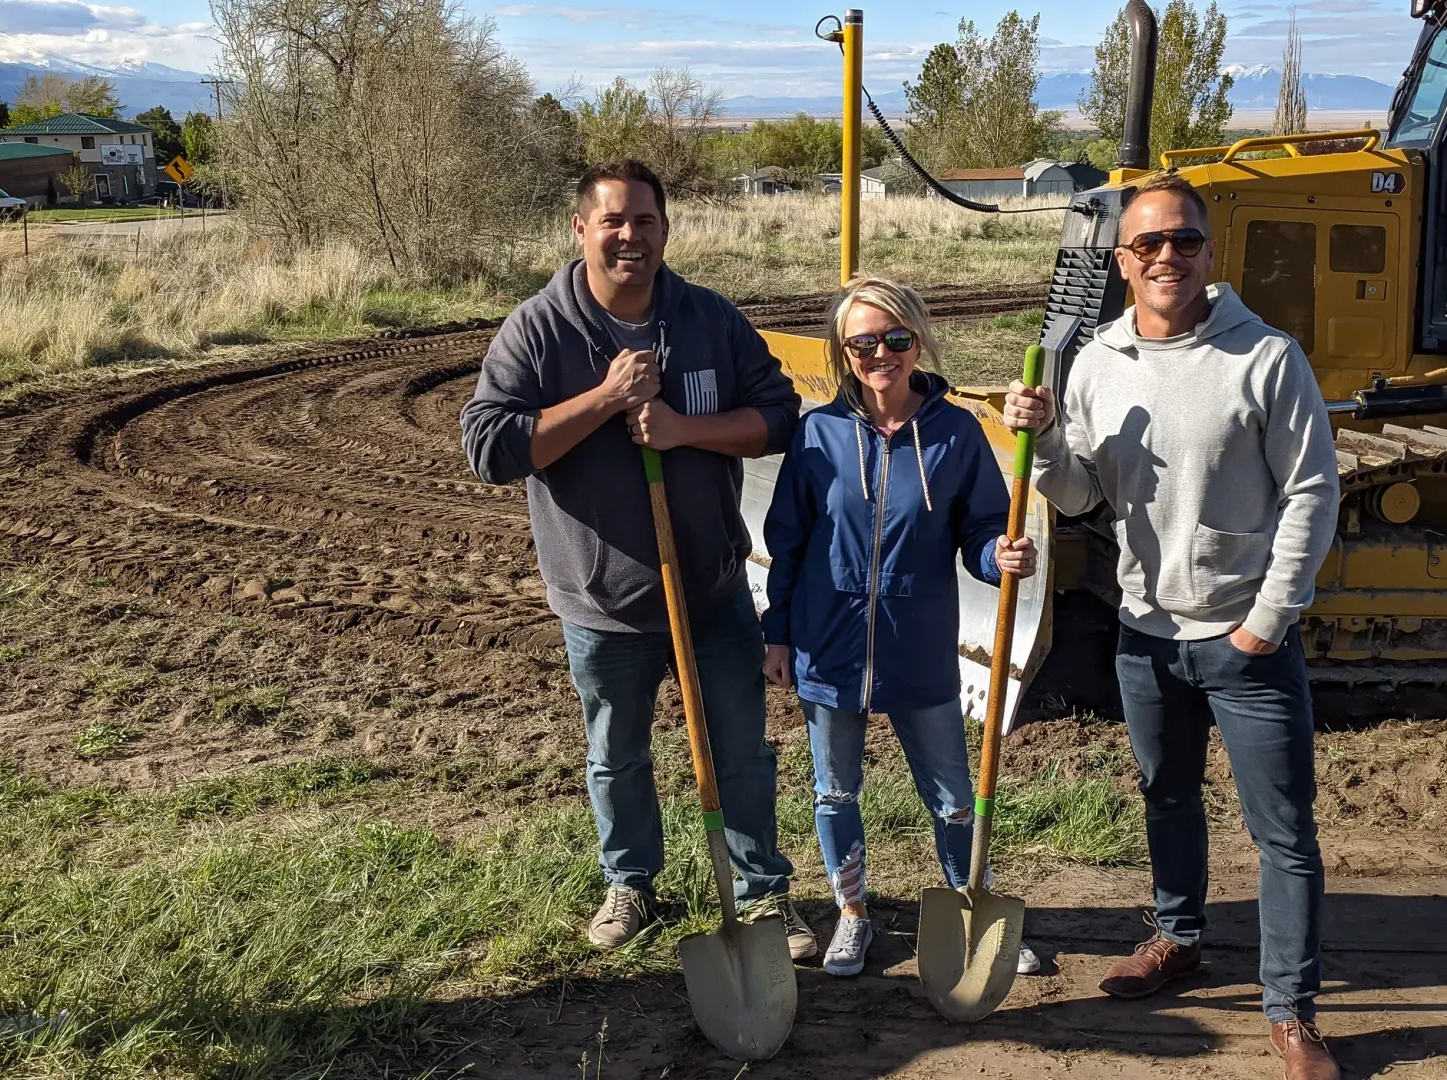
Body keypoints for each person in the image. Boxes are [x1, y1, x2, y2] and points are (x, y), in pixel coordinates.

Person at [1000, 172, 1342, 1080]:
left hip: (1243, 636)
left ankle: (1292, 1011)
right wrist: (1040, 448)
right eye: (1147, 244)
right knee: (1167, 798)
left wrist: (1267, 621)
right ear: (1121, 261)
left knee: (1283, 834)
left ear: (1207, 251)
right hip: (1145, 632)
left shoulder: (1266, 357)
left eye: (1183, 241)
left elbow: (1312, 492)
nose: (1166, 257)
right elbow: (1080, 494)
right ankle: (1179, 936)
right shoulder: (1098, 360)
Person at [460, 159, 817, 961]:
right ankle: (632, 884)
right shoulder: (539, 329)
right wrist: (602, 401)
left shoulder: (707, 320)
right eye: (613, 221)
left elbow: (778, 417)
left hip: (711, 587)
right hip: (603, 599)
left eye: (645, 221)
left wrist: (684, 429)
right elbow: (489, 449)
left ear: (665, 230)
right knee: (617, 755)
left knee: (743, 751)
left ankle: (764, 894)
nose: (630, 236)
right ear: (581, 228)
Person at [761, 276, 1041, 978]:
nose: (879, 353)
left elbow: (979, 529)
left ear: (918, 342)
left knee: (951, 794)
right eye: (863, 342)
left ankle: (969, 907)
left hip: (918, 644)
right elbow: (788, 541)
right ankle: (852, 916)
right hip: (829, 643)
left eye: (895, 339)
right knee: (834, 789)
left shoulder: (956, 434)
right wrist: (777, 632)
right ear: (843, 350)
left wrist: (997, 554)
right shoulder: (817, 434)